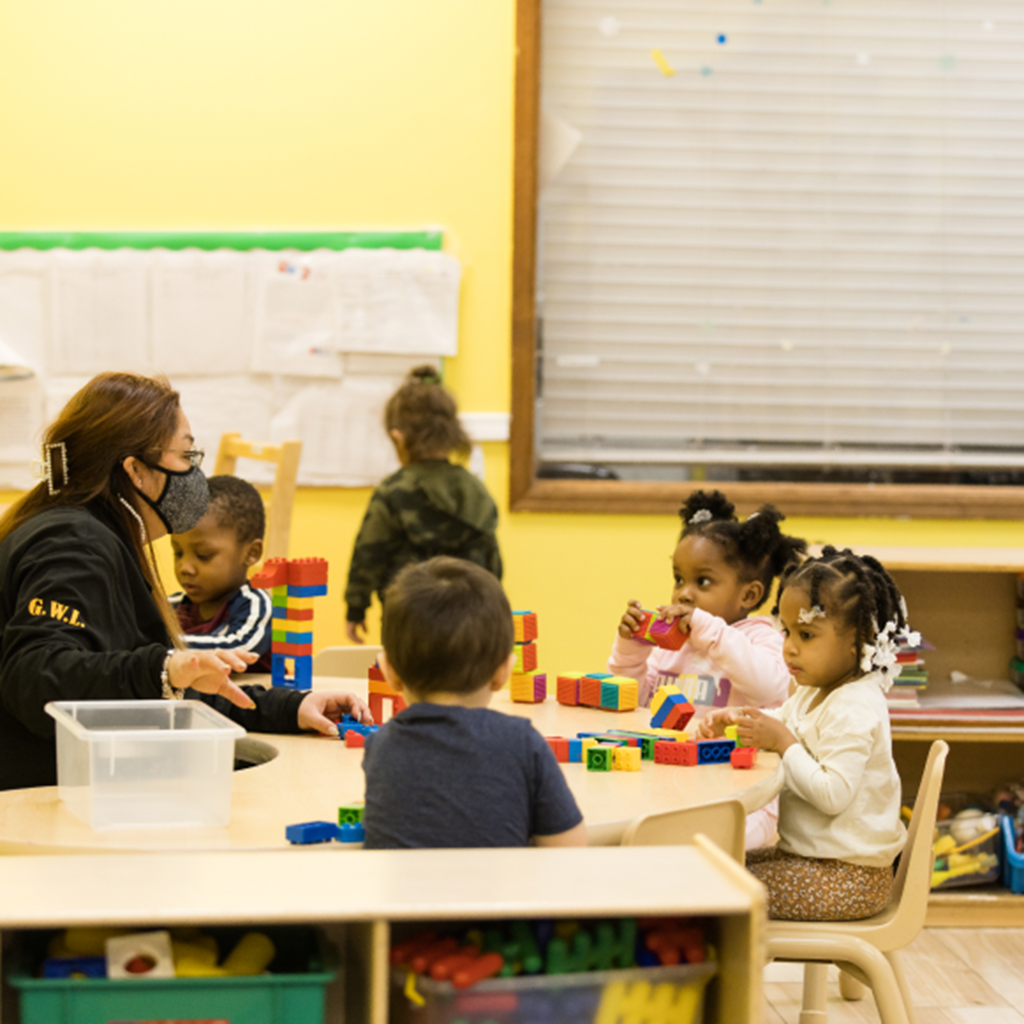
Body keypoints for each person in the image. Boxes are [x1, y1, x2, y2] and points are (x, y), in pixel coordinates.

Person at [0, 372, 371, 792]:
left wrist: (292, 706)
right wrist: (164, 667)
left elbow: (151, 691)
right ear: (137, 470)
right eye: (186, 456)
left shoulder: (93, 534)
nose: (196, 473)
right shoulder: (74, 543)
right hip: (40, 802)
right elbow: (36, 678)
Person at [700, 547, 911, 920]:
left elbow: (832, 794)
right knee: (714, 865)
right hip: (815, 863)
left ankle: (726, 976)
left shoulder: (854, 706)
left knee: (717, 888)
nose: (789, 648)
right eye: (786, 632)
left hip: (849, 879)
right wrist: (735, 719)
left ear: (857, 638)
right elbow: (780, 718)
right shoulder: (815, 691)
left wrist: (782, 742)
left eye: (807, 634)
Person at [608, 489, 806, 848]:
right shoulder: (671, 647)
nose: (683, 594)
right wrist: (631, 652)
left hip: (743, 798)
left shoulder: (761, 639)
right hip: (674, 785)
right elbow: (633, 706)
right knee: (631, 832)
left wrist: (706, 629)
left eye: (702, 582)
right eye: (678, 579)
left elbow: (770, 687)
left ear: (748, 595)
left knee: (702, 845)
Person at [361, 556, 586, 849]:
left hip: (405, 896)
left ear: (389, 671)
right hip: (496, 895)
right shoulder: (522, 744)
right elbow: (571, 851)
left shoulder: (380, 746)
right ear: (503, 671)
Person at [344, 365, 502, 643]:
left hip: (407, 619)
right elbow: (492, 558)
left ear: (398, 438)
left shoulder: (394, 489)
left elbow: (369, 552)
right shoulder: (474, 489)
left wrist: (356, 607)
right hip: (470, 620)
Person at [169, 475, 274, 673]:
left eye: (203, 555)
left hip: (253, 700)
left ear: (251, 553)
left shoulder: (255, 605)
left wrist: (161, 646)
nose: (184, 567)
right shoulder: (174, 607)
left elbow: (235, 648)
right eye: (178, 553)